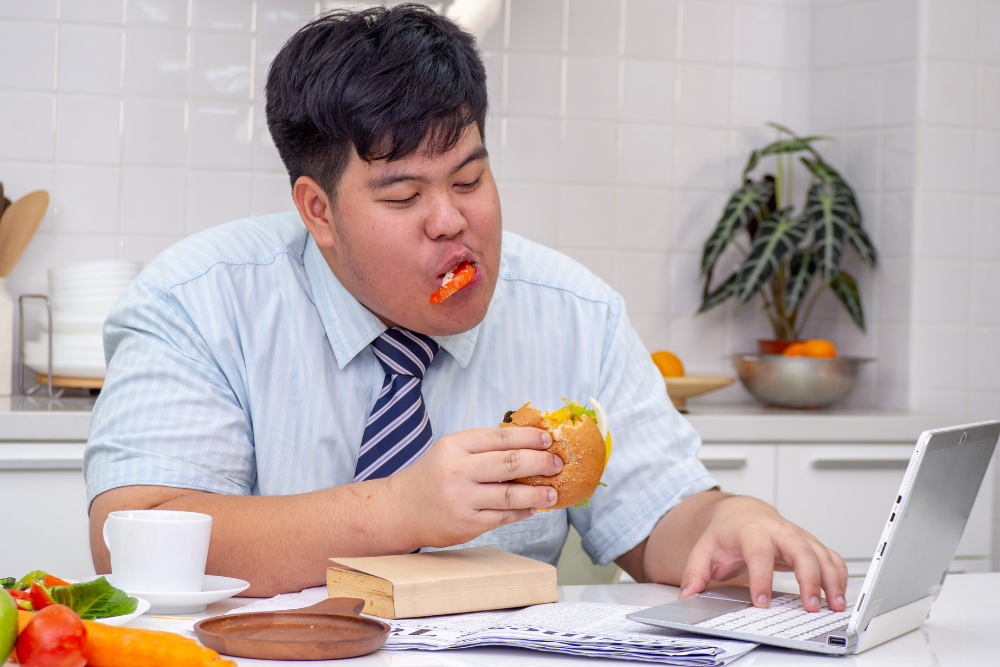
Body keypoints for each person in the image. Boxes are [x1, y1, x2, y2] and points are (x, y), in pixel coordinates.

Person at [85, 4, 848, 612]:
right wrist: (401, 510)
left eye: (470, 179)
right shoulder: (198, 301)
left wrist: (730, 522)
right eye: (404, 195)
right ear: (317, 212)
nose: (451, 220)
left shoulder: (574, 312)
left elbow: (658, 522)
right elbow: (131, 541)